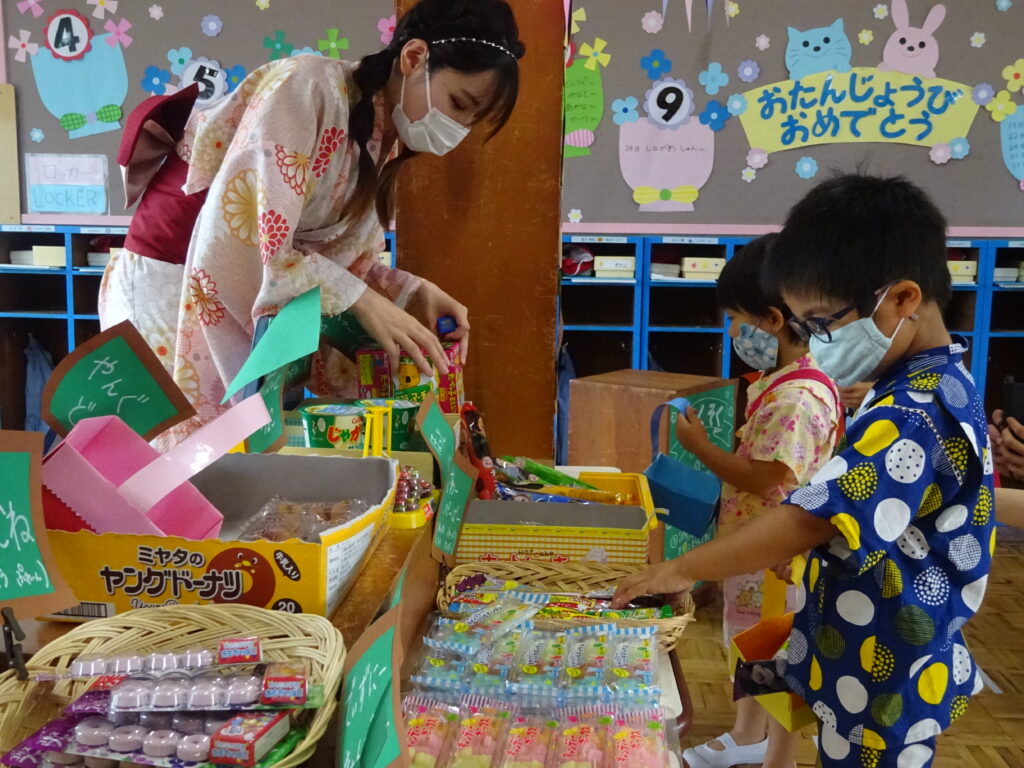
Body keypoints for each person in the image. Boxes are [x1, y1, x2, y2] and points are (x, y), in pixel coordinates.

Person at [613, 174, 995, 768]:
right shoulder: (939, 381)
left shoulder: (914, 412)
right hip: (868, 644)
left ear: (902, 299)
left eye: (823, 323)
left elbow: (811, 518)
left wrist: (681, 568)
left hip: (884, 662)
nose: (814, 341)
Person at [99, 0, 524, 436]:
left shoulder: (380, 139)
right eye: (458, 103)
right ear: (414, 58)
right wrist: (360, 298)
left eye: (470, 121)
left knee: (231, 462)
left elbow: (338, 263)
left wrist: (412, 291)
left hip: (221, 276)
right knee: (178, 462)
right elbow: (247, 241)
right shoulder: (305, 88)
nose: (457, 129)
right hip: (173, 280)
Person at [674, 235, 842, 768]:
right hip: (758, 550)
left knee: (776, 653)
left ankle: (779, 756)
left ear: (771, 319)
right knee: (750, 645)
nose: (730, 332)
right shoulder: (784, 379)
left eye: (734, 319)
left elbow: (765, 474)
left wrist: (700, 449)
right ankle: (747, 737)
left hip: (776, 558)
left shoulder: (796, 398)